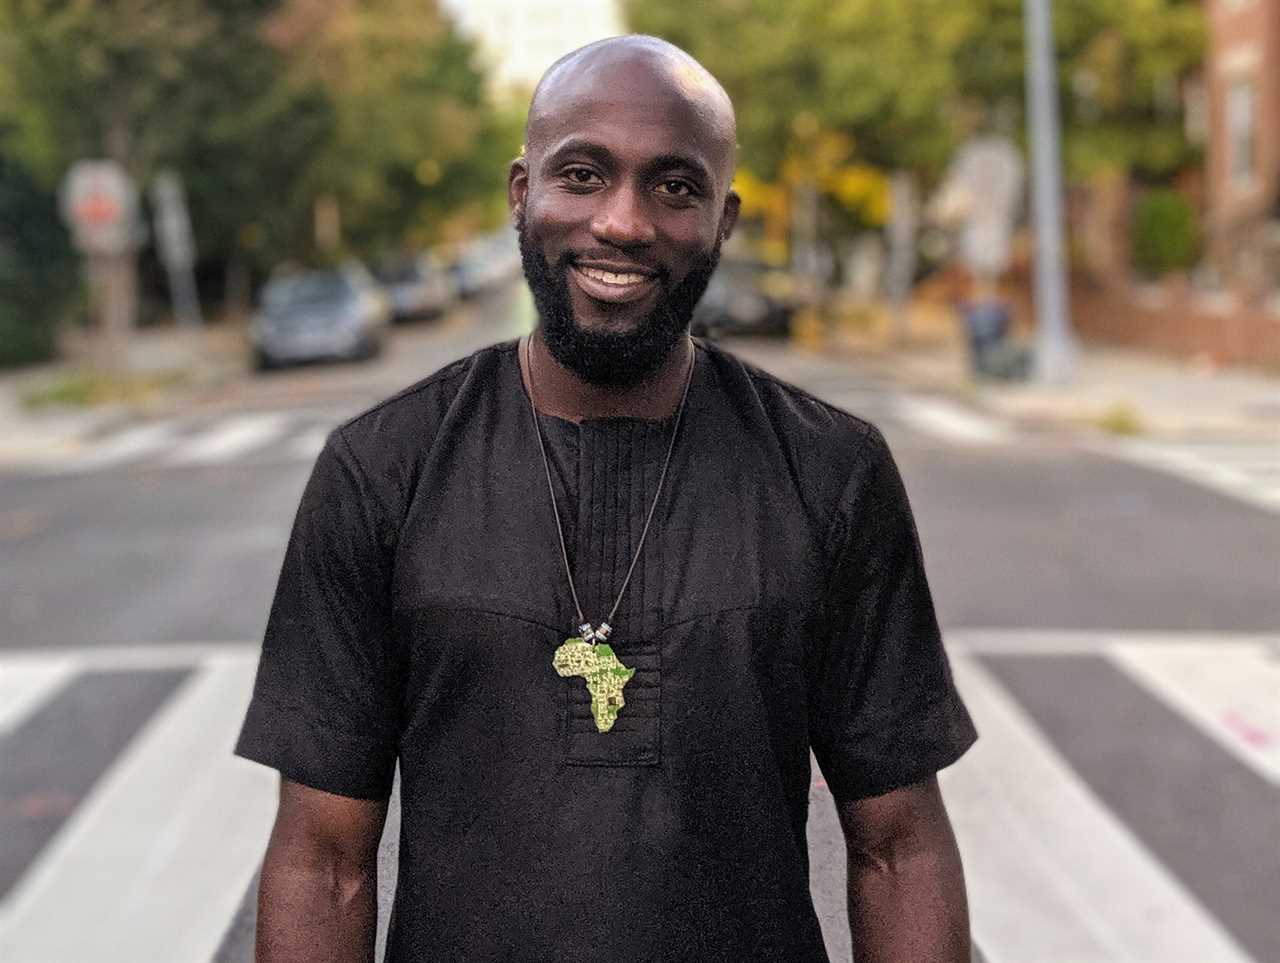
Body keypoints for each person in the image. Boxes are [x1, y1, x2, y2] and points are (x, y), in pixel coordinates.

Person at [236, 35, 978, 963]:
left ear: (725, 220)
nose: (624, 222)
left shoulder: (830, 472)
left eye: (675, 187)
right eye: (582, 175)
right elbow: (324, 859)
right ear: (521, 194)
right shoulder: (383, 469)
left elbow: (898, 844)